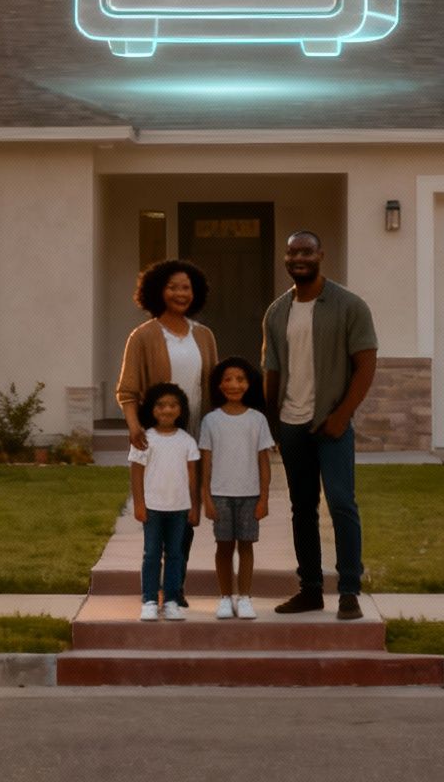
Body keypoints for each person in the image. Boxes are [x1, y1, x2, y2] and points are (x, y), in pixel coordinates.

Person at [261, 230, 376, 620]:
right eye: (292, 251)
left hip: (332, 424)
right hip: (292, 425)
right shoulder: (278, 311)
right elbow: (271, 372)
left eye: (306, 251)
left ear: (320, 254)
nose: (299, 258)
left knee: (342, 504)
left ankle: (348, 591)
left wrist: (341, 416)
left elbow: (365, 365)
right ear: (286, 257)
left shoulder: (348, 305)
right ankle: (309, 589)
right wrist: (272, 425)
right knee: (302, 508)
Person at [115, 259, 218, 607]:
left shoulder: (203, 335)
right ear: (158, 290)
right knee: (157, 515)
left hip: (191, 438)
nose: (180, 293)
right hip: (157, 439)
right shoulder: (143, 336)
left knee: (186, 514)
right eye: (173, 286)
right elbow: (127, 391)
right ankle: (154, 588)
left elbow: (214, 390)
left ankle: (175, 588)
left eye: (186, 287)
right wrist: (134, 426)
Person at [198, 357, 275, 619]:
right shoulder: (210, 421)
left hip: (249, 495)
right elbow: (205, 463)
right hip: (220, 495)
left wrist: (263, 498)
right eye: (228, 379)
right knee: (223, 546)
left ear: (249, 384)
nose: (234, 384)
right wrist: (205, 498)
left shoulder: (258, 420)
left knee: (246, 545)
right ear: (219, 385)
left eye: (240, 379)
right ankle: (224, 597)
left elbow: (264, 463)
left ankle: (244, 597)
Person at [129, 382, 201, 621]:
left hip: (179, 509)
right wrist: (139, 504)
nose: (167, 410)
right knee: (151, 554)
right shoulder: (144, 439)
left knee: (175, 555)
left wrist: (194, 505)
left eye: (173, 405)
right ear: (151, 409)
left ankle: (170, 600)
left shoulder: (187, 441)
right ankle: (149, 599)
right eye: (161, 405)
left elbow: (193, 476)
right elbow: (136, 472)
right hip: (152, 508)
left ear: (181, 410)